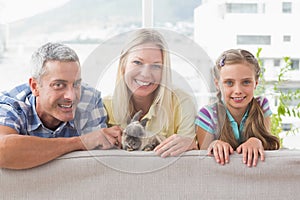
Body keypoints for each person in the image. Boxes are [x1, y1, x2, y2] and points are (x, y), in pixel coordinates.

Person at [0, 42, 122, 169]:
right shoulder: (11, 105)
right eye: (59, 85)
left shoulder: (89, 100)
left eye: (76, 84)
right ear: (35, 87)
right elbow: (2, 151)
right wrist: (80, 142)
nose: (71, 96)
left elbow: (97, 165)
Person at [103, 28, 198, 157]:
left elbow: (191, 160)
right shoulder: (106, 105)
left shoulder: (181, 103)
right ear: (123, 64)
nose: (146, 74)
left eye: (156, 66)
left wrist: (191, 146)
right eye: (137, 62)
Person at [195, 49, 280, 167]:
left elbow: (271, 148)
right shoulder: (207, 115)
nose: (238, 91)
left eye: (246, 82)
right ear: (217, 84)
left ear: (256, 83)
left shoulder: (261, 106)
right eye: (229, 83)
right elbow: (201, 162)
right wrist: (214, 145)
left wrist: (257, 141)